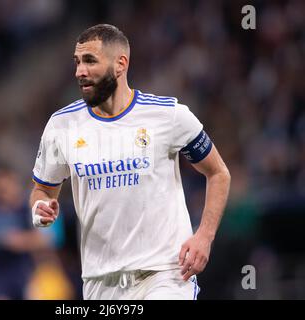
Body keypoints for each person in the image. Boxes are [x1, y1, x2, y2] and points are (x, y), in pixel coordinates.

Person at [30, 24, 231, 300]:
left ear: (120, 64)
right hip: (101, 281)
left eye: (90, 61)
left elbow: (218, 173)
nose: (79, 71)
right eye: (77, 62)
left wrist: (204, 236)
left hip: (166, 274)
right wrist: (39, 208)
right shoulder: (61, 126)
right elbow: (42, 191)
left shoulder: (168, 116)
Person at [0, 165, 52, 299]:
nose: (2, 192)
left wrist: (20, 240)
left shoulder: (27, 209)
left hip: (24, 271)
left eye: (5, 188)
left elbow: (46, 239)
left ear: (15, 185)